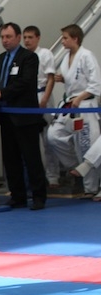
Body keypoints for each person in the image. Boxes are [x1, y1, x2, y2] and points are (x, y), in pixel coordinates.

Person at [0, 22, 47, 210]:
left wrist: (0, 94)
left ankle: (38, 196)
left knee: (31, 157)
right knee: (10, 158)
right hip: (5, 116)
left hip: (24, 116)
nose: (5, 40)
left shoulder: (29, 58)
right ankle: (17, 196)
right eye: (3, 37)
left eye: (9, 37)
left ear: (18, 37)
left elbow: (25, 82)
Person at [46, 24, 101, 199]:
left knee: (86, 145)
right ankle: (77, 165)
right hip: (70, 105)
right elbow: (75, 79)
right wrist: (63, 79)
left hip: (85, 105)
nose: (62, 41)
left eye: (65, 38)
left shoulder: (87, 56)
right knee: (54, 136)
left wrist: (80, 97)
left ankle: (90, 187)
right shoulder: (66, 58)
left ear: (75, 39)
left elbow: (96, 84)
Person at [23, 25, 59, 189]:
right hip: (28, 96)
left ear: (38, 38)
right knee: (31, 140)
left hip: (43, 94)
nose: (27, 40)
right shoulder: (23, 56)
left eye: (30, 37)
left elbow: (51, 78)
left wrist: (45, 98)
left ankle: (53, 176)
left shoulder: (45, 54)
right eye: (25, 37)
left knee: (48, 138)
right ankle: (36, 177)